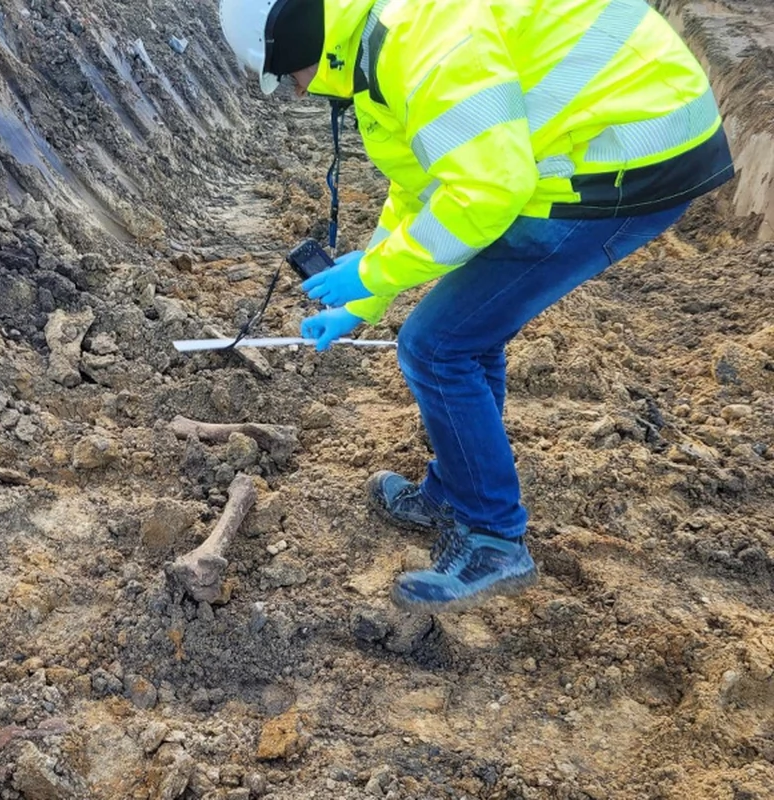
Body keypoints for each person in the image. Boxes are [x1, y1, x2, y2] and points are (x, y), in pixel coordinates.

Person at [218, 0, 734, 612]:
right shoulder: (379, 48)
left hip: (627, 156)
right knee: (467, 333)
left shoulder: (418, 46)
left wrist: (375, 269)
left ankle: (493, 536)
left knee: (436, 346)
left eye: (286, 75)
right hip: (604, 137)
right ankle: (459, 491)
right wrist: (366, 297)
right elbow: (423, 188)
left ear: (299, 34)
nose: (296, 92)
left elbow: (487, 191)